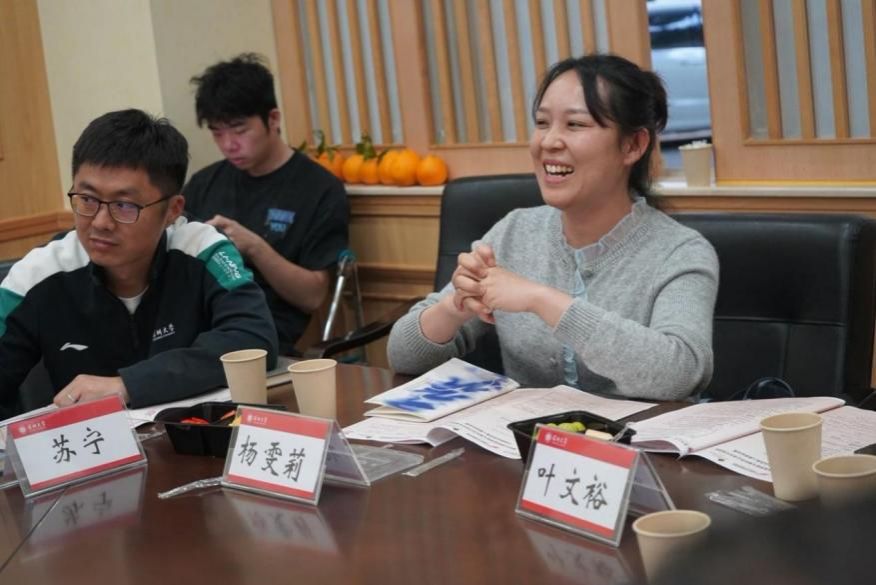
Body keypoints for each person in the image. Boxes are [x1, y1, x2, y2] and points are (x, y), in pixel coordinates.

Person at [387, 54, 718, 401]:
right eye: (542, 123)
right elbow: (403, 356)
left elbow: (681, 375)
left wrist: (542, 299)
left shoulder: (680, 251)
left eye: (574, 125)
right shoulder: (514, 231)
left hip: (639, 437)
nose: (548, 142)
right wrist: (454, 308)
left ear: (633, 145)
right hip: (523, 434)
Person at [0, 109, 278, 418]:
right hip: (91, 444)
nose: (100, 223)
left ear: (172, 210)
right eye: (87, 199)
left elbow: (254, 339)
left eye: (124, 205)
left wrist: (128, 385)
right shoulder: (37, 274)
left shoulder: (202, 250)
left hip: (196, 438)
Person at [183, 53, 349, 355]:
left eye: (240, 130)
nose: (228, 144)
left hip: (261, 335)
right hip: (195, 325)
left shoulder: (319, 189)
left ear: (273, 119)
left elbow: (312, 296)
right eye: (217, 133)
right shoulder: (203, 183)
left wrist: (254, 247)